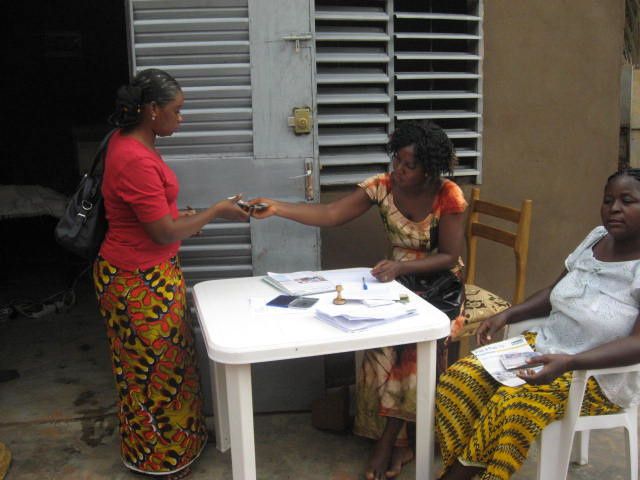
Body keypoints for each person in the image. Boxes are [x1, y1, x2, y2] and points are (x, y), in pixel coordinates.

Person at [249, 121, 468, 480]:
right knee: (372, 339)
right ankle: (392, 436)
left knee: (412, 345)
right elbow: (332, 215)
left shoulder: (449, 195)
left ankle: (390, 442)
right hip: (394, 284)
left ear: (428, 167)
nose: (398, 170)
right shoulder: (383, 186)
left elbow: (449, 256)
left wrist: (400, 267)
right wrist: (277, 208)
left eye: (408, 165)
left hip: (439, 287)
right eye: (396, 160)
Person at [93, 68, 249, 479]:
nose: (182, 118)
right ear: (151, 110)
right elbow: (161, 231)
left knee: (166, 366)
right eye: (177, 111)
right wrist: (214, 211)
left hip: (150, 273)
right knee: (154, 374)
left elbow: (152, 217)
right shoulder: (134, 158)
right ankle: (161, 462)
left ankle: (174, 451)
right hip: (136, 281)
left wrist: (190, 215)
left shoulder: (130, 144)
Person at [435, 169, 640, 480]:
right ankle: (466, 470)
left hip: (594, 377)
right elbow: (553, 292)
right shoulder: (596, 239)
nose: (614, 208)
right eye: (608, 200)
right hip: (544, 346)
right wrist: (508, 314)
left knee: (510, 402)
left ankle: (461, 476)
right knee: (458, 381)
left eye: (628, 201)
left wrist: (570, 362)